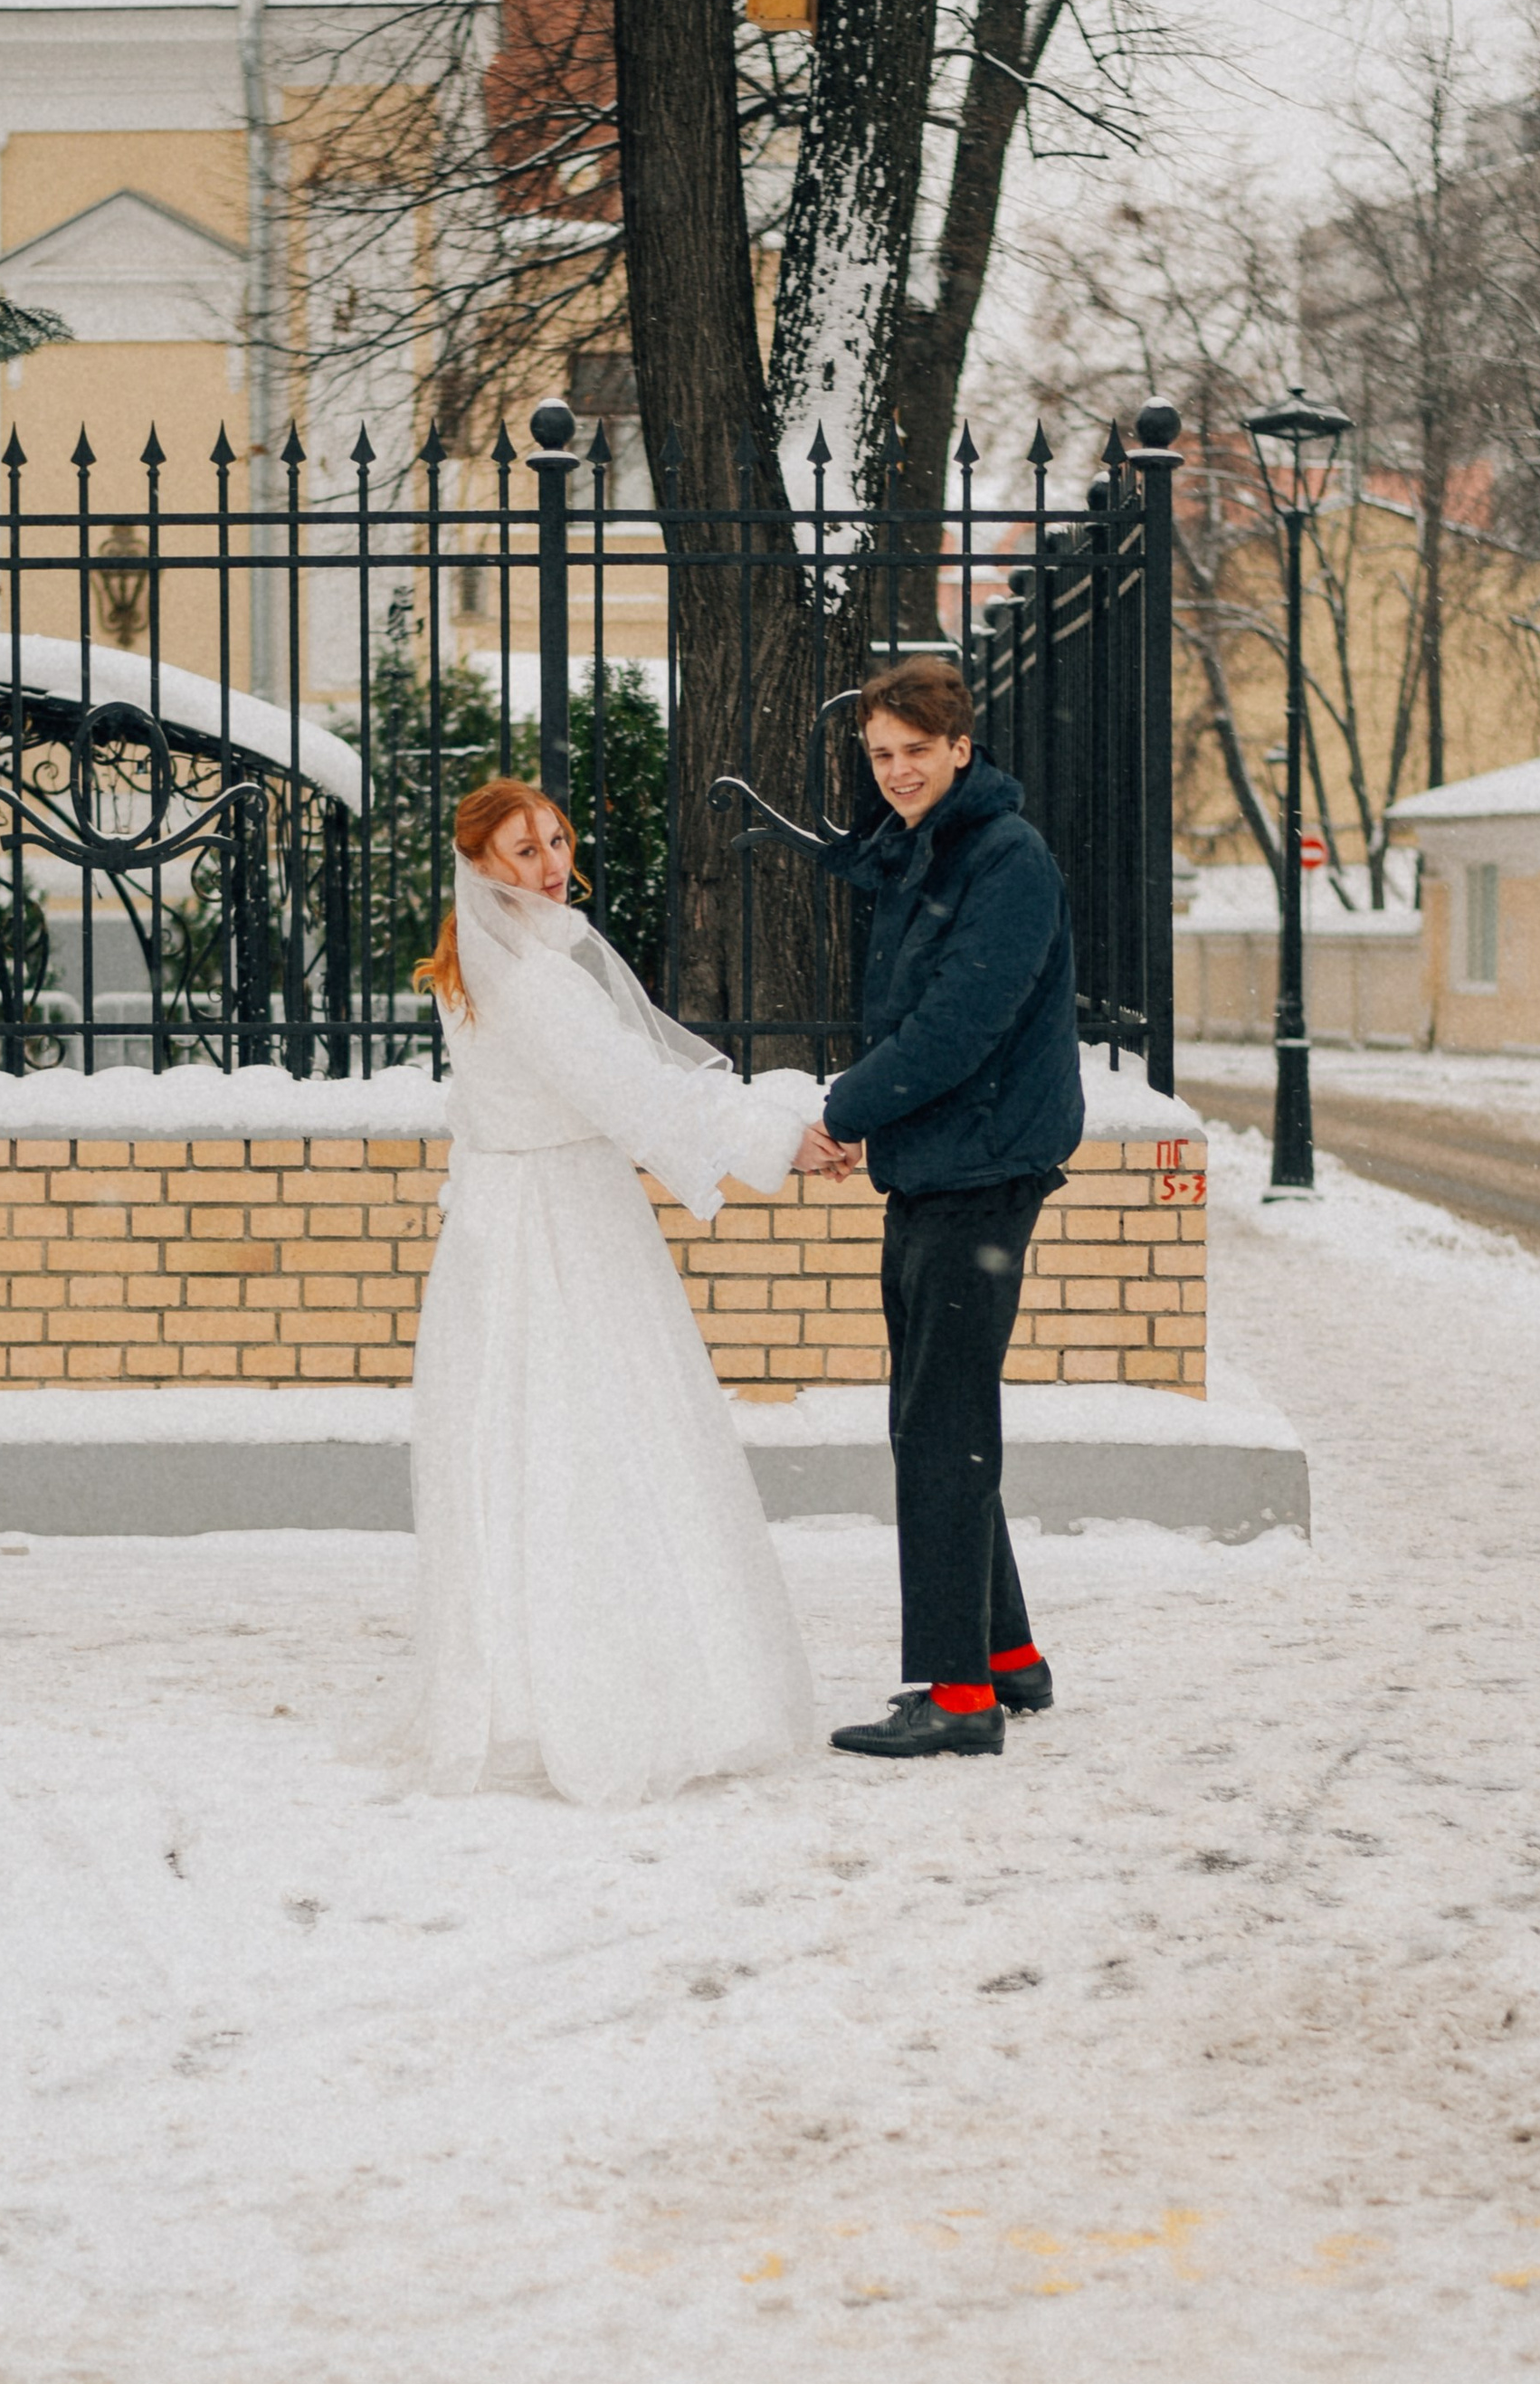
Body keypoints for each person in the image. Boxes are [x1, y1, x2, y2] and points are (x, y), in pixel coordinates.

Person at [405, 777, 841, 1807]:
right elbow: (640, 1094)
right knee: (595, 1442)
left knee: (523, 1449)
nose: (551, 864)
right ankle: (608, 1694)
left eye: (557, 838)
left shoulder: (470, 969)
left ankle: (517, 1687)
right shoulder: (541, 983)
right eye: (522, 850)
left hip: (501, 1228)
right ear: (479, 864)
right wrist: (778, 1137)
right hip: (562, 1229)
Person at [817, 659, 1083, 1760]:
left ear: (961, 745)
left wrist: (844, 1108)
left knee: (939, 1428)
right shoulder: (931, 848)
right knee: (941, 1416)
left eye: (914, 749)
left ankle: (957, 1697)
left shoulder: (1006, 858)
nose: (896, 771)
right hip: (940, 1161)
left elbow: (958, 1021)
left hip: (980, 1165)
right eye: (879, 754)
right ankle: (1006, 1657)